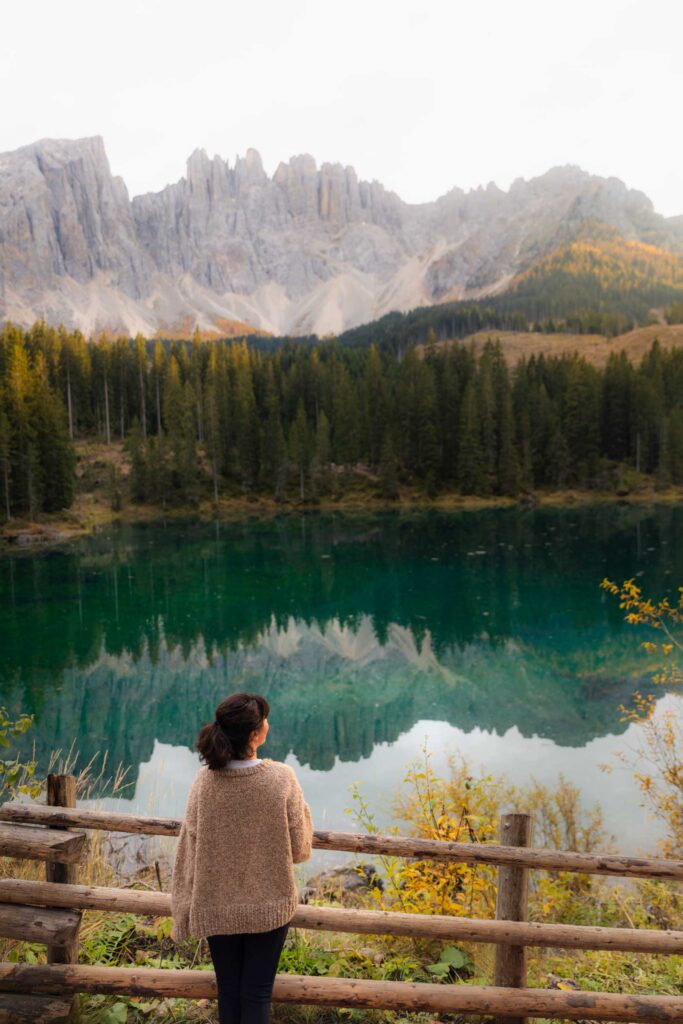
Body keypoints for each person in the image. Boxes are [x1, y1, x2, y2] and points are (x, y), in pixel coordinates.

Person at [171, 691, 313, 1024]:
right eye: (264, 720)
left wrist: (184, 904)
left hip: (216, 904)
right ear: (254, 734)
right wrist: (302, 810)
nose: (267, 724)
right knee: (256, 994)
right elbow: (301, 849)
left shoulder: (204, 780)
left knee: (229, 993)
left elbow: (188, 846)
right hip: (269, 904)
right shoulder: (282, 779)